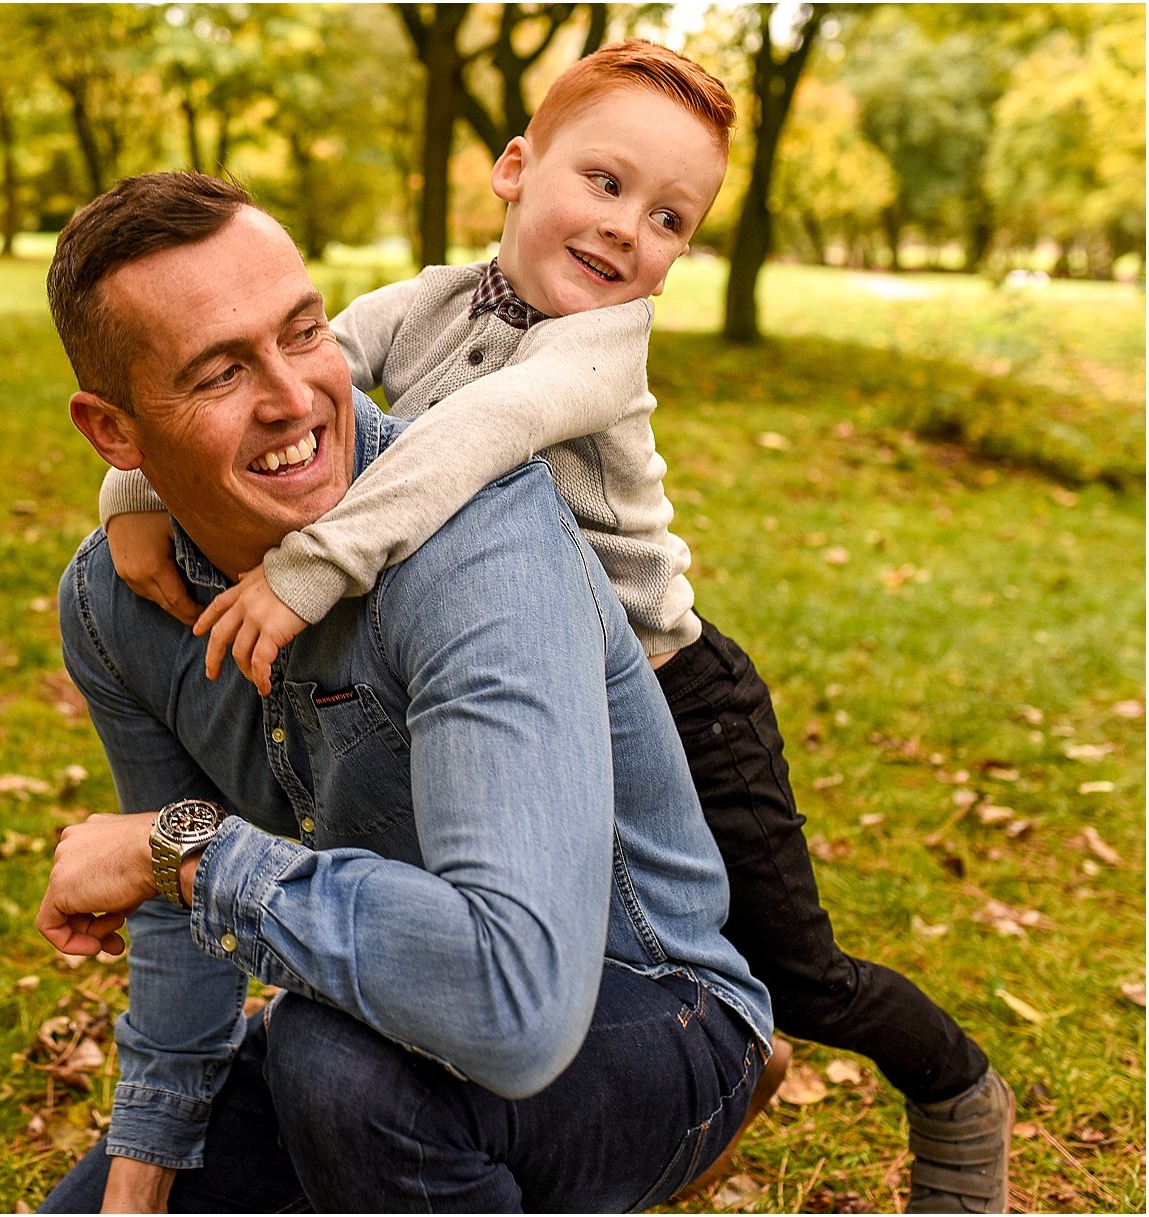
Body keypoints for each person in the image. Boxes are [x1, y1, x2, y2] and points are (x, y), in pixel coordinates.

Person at [98, 41, 1013, 1214]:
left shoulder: (600, 348)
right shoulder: (427, 298)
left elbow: (466, 441)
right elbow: (288, 374)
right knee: (498, 900)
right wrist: (134, 494)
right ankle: (631, 1082)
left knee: (799, 970)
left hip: (673, 689)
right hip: (507, 668)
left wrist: (303, 574)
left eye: (670, 218)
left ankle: (951, 1089)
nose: (630, 228)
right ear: (514, 167)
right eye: (605, 181)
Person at [34, 169, 774, 1213]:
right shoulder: (118, 606)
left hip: (644, 1011)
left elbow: (512, 1005)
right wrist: (140, 1173)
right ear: (114, 435)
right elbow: (169, 913)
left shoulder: (477, 537)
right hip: (387, 1004)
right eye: (217, 374)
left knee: (339, 1067)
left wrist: (190, 854)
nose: (294, 397)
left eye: (302, 333)